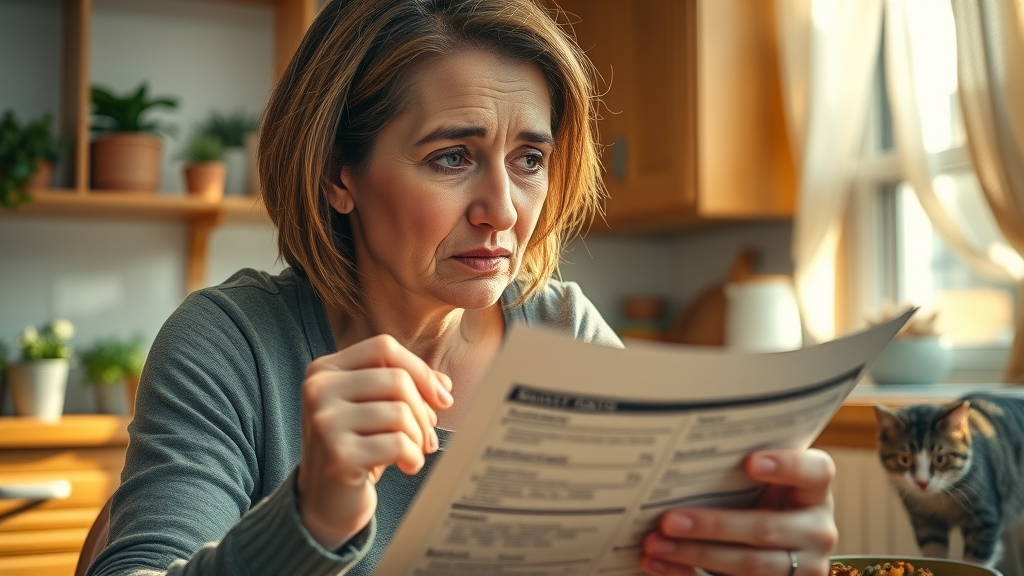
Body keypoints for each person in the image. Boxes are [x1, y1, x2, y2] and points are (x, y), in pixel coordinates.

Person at [87, 1, 838, 575]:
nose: (504, 210)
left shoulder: (563, 333)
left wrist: (752, 550)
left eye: (529, 158)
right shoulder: (232, 343)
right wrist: (309, 519)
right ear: (336, 175)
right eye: (452, 157)